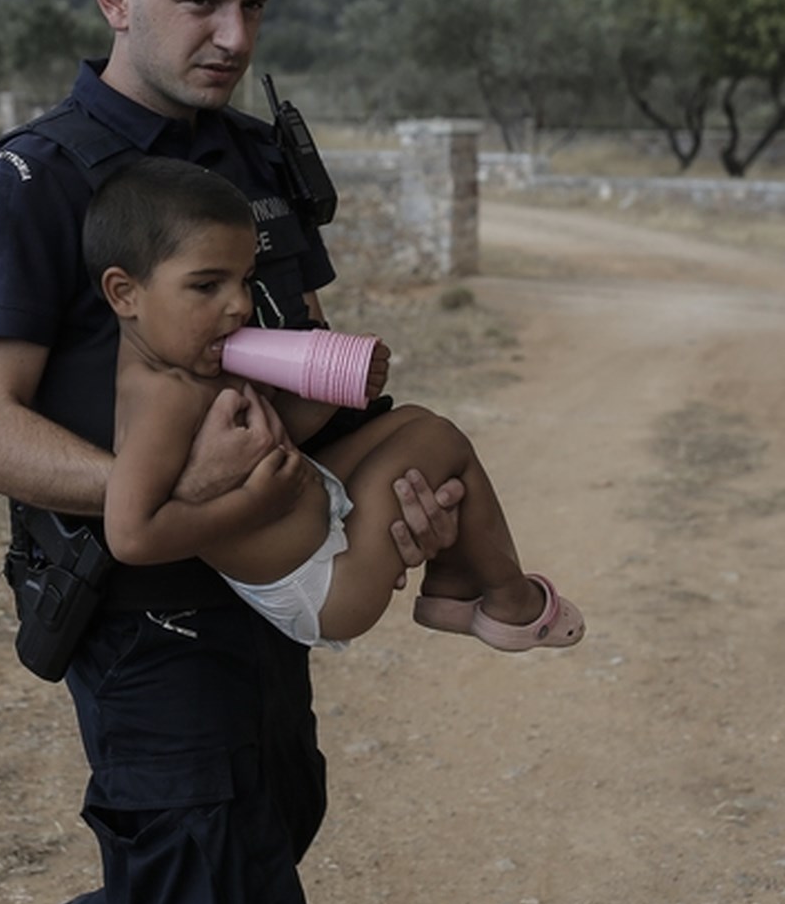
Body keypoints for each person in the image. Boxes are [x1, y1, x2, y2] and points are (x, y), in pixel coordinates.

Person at [0, 0, 466, 904]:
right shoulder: (37, 180)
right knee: (219, 887)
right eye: (201, 3)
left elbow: (308, 372)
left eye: (253, 3)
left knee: (265, 832)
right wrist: (160, 487)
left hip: (268, 581)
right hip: (142, 613)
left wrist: (383, 502)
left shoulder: (249, 154)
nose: (234, 36)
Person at [87, 157, 585, 652]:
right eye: (206, 285)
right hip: (324, 583)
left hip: (316, 513)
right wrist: (252, 504)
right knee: (438, 440)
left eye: (245, 280)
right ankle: (509, 598)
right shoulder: (161, 395)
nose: (239, 304)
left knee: (414, 422)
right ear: (124, 293)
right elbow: (132, 536)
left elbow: (277, 438)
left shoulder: (193, 364)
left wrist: (339, 388)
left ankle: (451, 582)